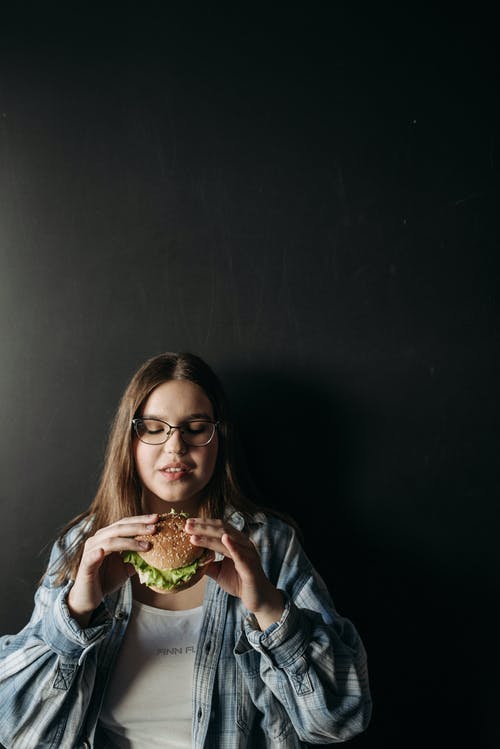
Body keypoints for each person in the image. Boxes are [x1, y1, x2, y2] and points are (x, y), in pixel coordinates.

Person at [0, 352, 372, 748]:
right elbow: (18, 732)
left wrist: (268, 608)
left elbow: (339, 720)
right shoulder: (84, 546)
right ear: (130, 439)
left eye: (196, 428)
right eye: (154, 428)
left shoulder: (268, 544)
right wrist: (75, 612)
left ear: (218, 440)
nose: (175, 446)